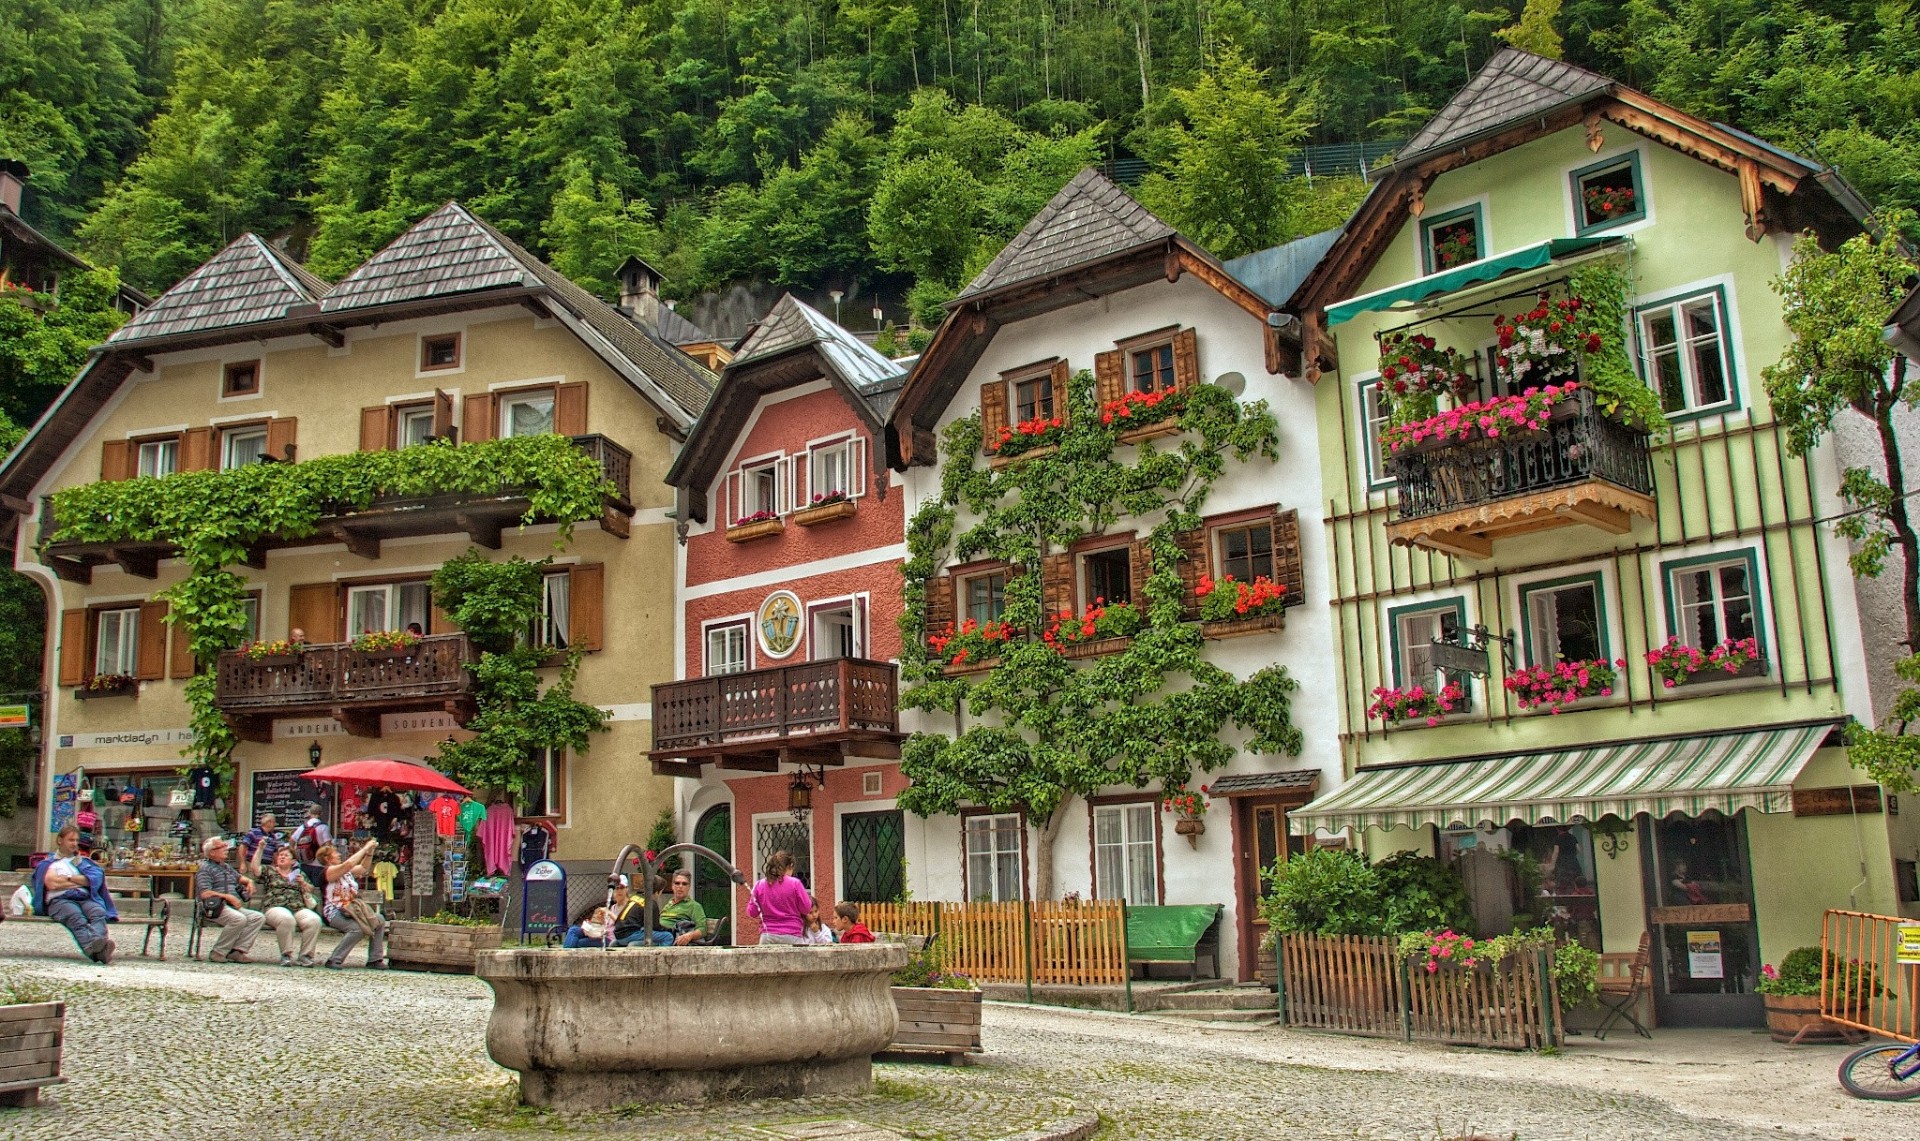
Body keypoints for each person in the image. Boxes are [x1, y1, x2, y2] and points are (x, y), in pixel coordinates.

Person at [32, 825, 116, 963]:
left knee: (98, 911)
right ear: (60, 840)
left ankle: (97, 945)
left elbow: (94, 879)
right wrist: (81, 881)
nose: (75, 844)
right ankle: (95, 950)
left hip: (83, 898)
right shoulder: (50, 863)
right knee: (75, 917)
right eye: (71, 840)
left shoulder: (83, 863)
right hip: (59, 900)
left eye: (76, 840)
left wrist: (68, 879)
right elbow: (52, 884)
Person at [316, 839, 387, 969]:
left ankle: (375, 959)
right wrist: (365, 848)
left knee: (380, 920)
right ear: (327, 858)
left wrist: (369, 852)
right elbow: (348, 864)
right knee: (356, 929)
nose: (338, 854)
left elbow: (363, 868)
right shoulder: (327, 871)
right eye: (335, 853)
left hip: (353, 909)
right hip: (335, 912)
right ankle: (334, 959)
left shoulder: (346, 872)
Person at [196, 835, 266, 964]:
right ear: (212, 852)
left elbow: (240, 878)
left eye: (225, 845)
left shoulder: (225, 867)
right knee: (238, 918)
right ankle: (218, 952)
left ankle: (237, 951)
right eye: (221, 846)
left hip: (232, 906)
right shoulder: (205, 869)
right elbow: (204, 893)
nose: (226, 848)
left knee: (257, 917)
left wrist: (249, 881)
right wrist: (228, 897)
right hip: (215, 907)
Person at [251, 841, 322, 966]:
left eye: (286, 855)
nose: (282, 857)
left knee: (314, 920)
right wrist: (260, 848)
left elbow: (311, 889)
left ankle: (305, 956)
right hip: (275, 907)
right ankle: (286, 955)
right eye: (280, 855)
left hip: (298, 907)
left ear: (293, 861)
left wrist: (303, 883)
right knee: (286, 919)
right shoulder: (270, 870)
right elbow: (255, 869)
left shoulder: (298, 874)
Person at [747, 850, 811, 946]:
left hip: (767, 936)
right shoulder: (795, 883)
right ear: (791, 865)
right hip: (792, 935)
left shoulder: (759, 885)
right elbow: (806, 909)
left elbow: (752, 912)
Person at [653, 870, 708, 946]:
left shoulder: (694, 906)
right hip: (657, 935)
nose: (680, 886)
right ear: (672, 886)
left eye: (684, 884)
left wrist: (689, 935)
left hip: (670, 939)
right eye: (677, 883)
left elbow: (703, 929)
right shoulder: (668, 904)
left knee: (635, 944)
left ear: (689, 887)